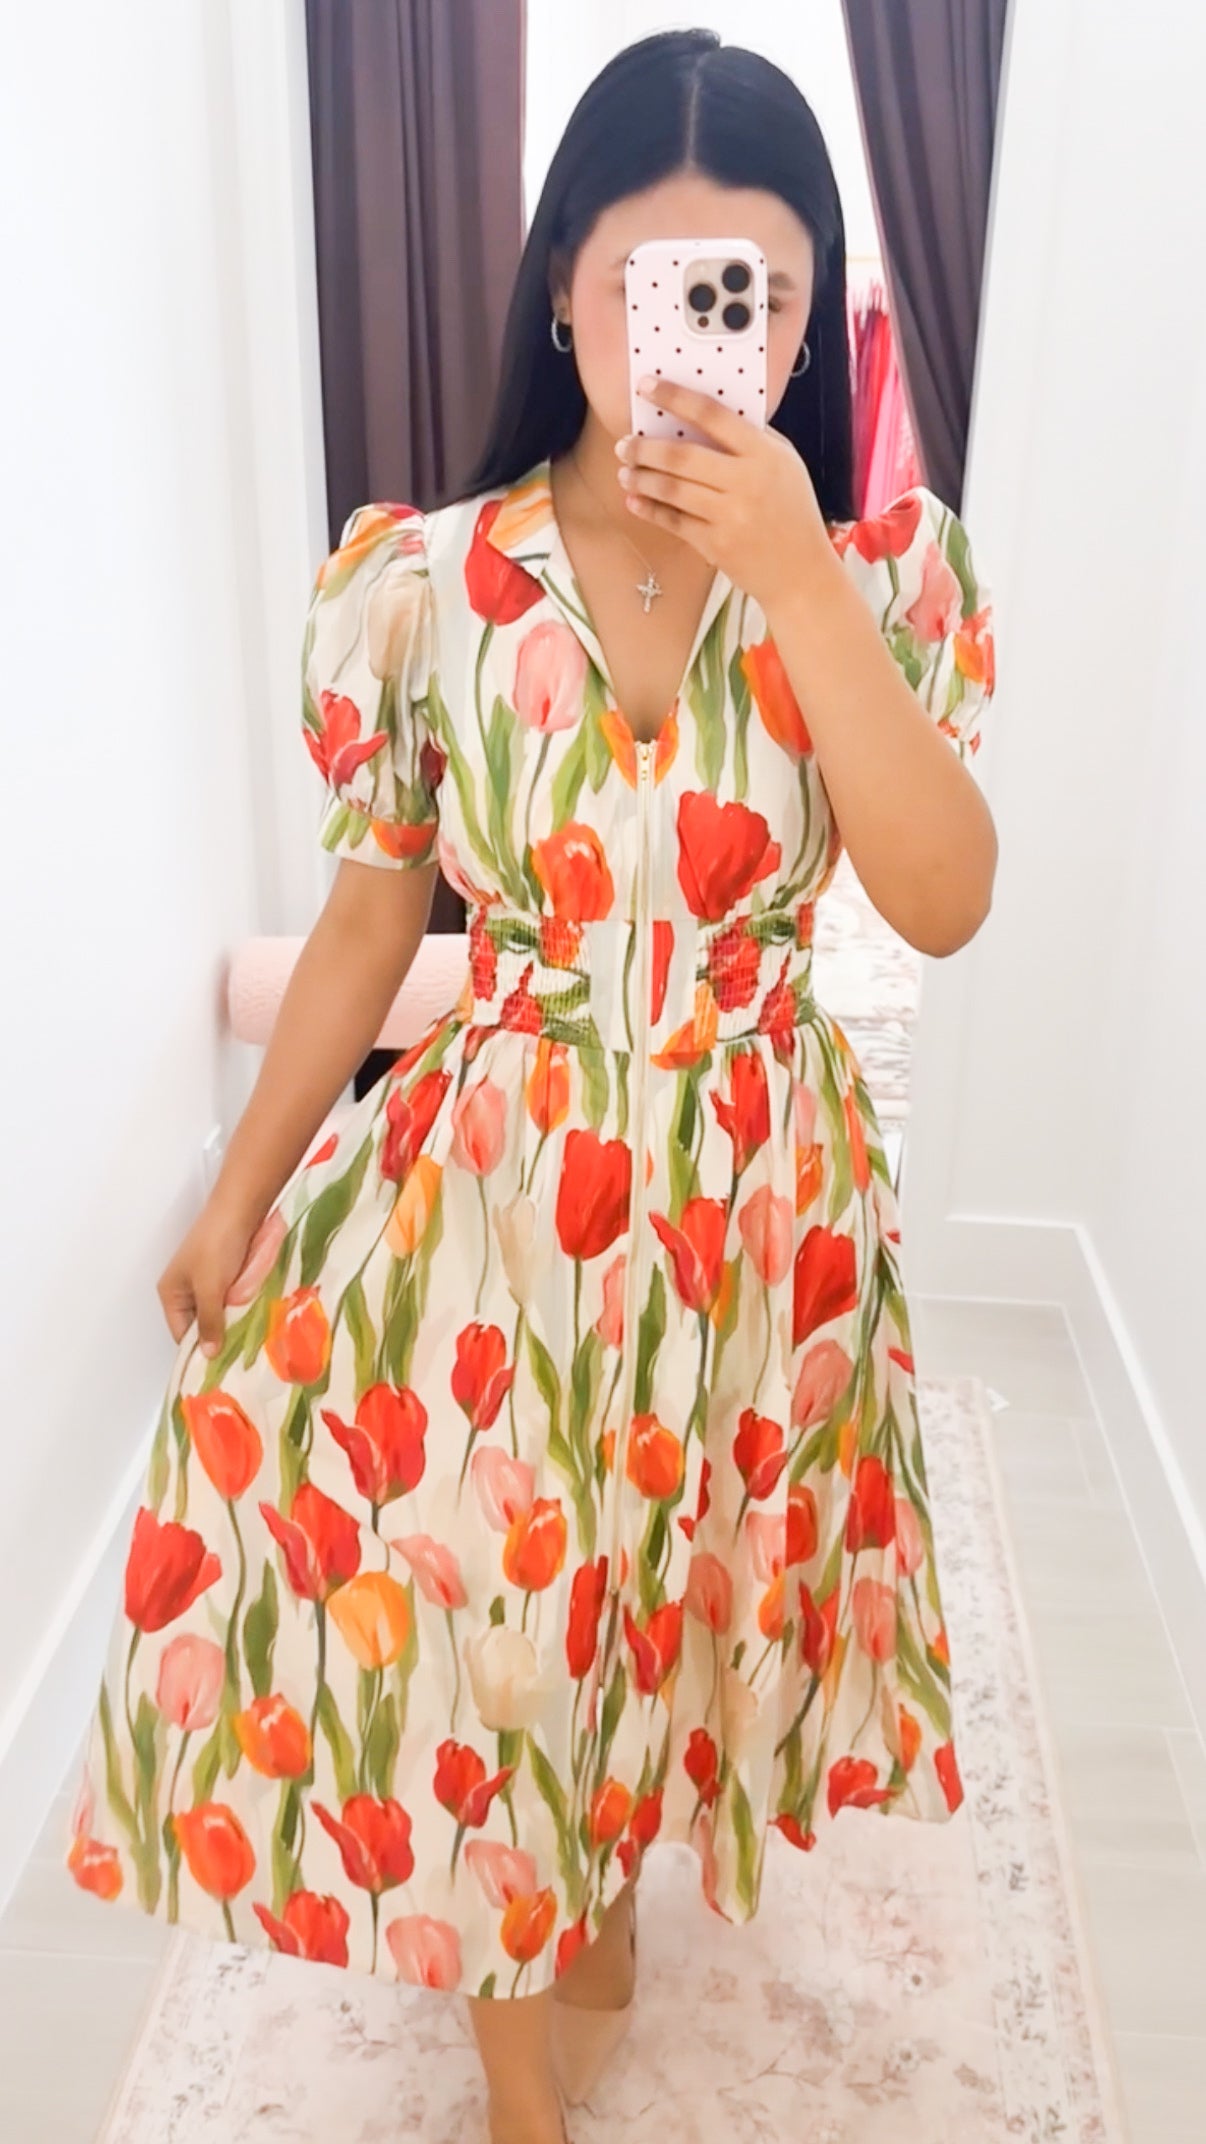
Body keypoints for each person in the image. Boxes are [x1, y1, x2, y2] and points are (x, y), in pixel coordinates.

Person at [63, 26, 997, 2144]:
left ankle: (601, 1872)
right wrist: (239, 1189)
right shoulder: (429, 584)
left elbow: (940, 902)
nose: (695, 338)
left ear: (808, 314)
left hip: (760, 1207)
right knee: (493, 1616)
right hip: (498, 1188)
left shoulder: (882, 580)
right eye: (651, 284)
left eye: (752, 292)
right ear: (564, 285)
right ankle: (518, 2099)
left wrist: (798, 577)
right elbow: (370, 920)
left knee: (661, 1597)